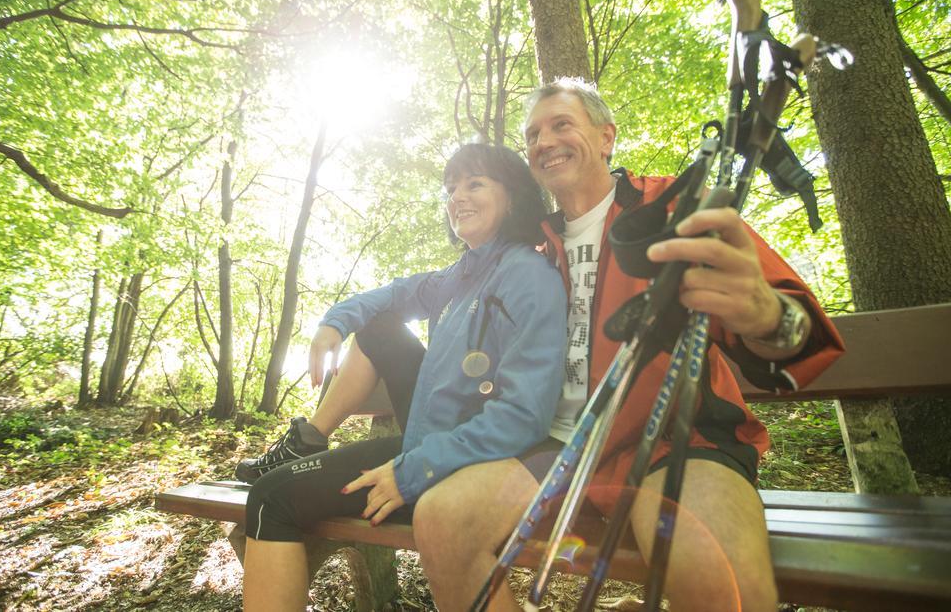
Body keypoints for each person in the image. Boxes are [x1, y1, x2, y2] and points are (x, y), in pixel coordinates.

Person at [407, 78, 845, 612]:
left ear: (607, 136)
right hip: (555, 450)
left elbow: (796, 333)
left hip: (677, 442)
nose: (544, 141)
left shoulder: (677, 206)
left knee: (721, 580)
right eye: (533, 135)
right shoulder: (532, 247)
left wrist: (765, 315)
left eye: (561, 124)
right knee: (441, 519)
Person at [238, 143, 568, 612]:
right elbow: (390, 296)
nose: (458, 197)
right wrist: (334, 322)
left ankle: (308, 450)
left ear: (512, 196)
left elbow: (523, 415)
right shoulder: (459, 276)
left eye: (475, 184)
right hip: (427, 444)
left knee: (273, 499)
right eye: (451, 188)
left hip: (462, 467)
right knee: (377, 326)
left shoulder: (527, 275)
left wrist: (413, 470)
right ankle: (308, 440)